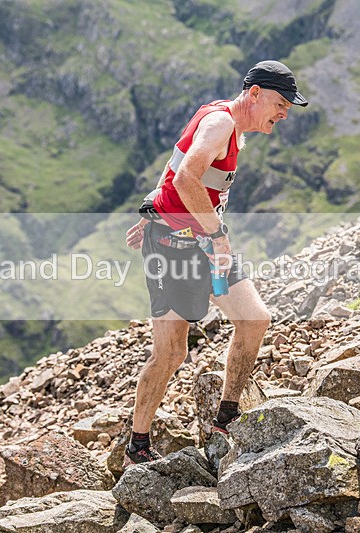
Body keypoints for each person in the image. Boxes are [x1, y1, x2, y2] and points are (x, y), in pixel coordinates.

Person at [123, 60, 308, 467]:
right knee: (171, 352)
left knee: (255, 319)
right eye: (280, 104)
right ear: (255, 93)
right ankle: (137, 445)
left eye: (288, 109)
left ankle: (225, 415)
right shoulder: (221, 124)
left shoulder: (228, 124)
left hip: (203, 244)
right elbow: (187, 177)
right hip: (173, 248)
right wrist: (217, 235)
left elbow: (173, 167)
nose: (283, 114)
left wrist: (151, 208)